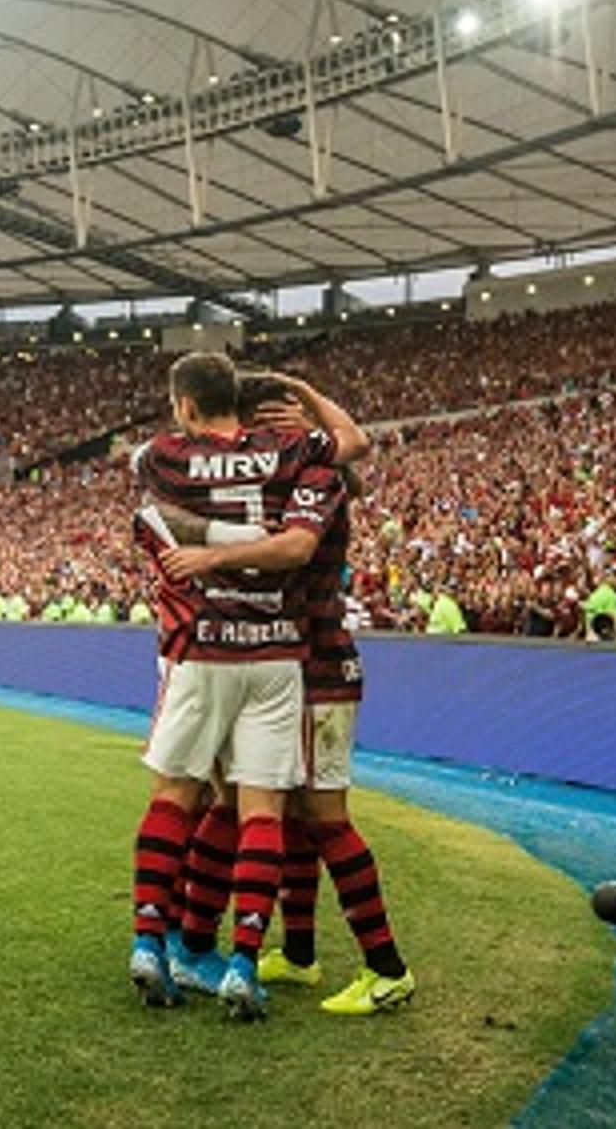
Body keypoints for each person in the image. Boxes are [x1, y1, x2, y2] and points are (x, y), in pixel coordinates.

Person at [152, 373, 415, 1016]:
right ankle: (295, 952)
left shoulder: (306, 483)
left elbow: (347, 456)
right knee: (276, 811)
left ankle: (387, 969)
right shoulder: (291, 480)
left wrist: (304, 400)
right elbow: (347, 450)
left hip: (317, 664)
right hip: (286, 660)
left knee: (315, 816)